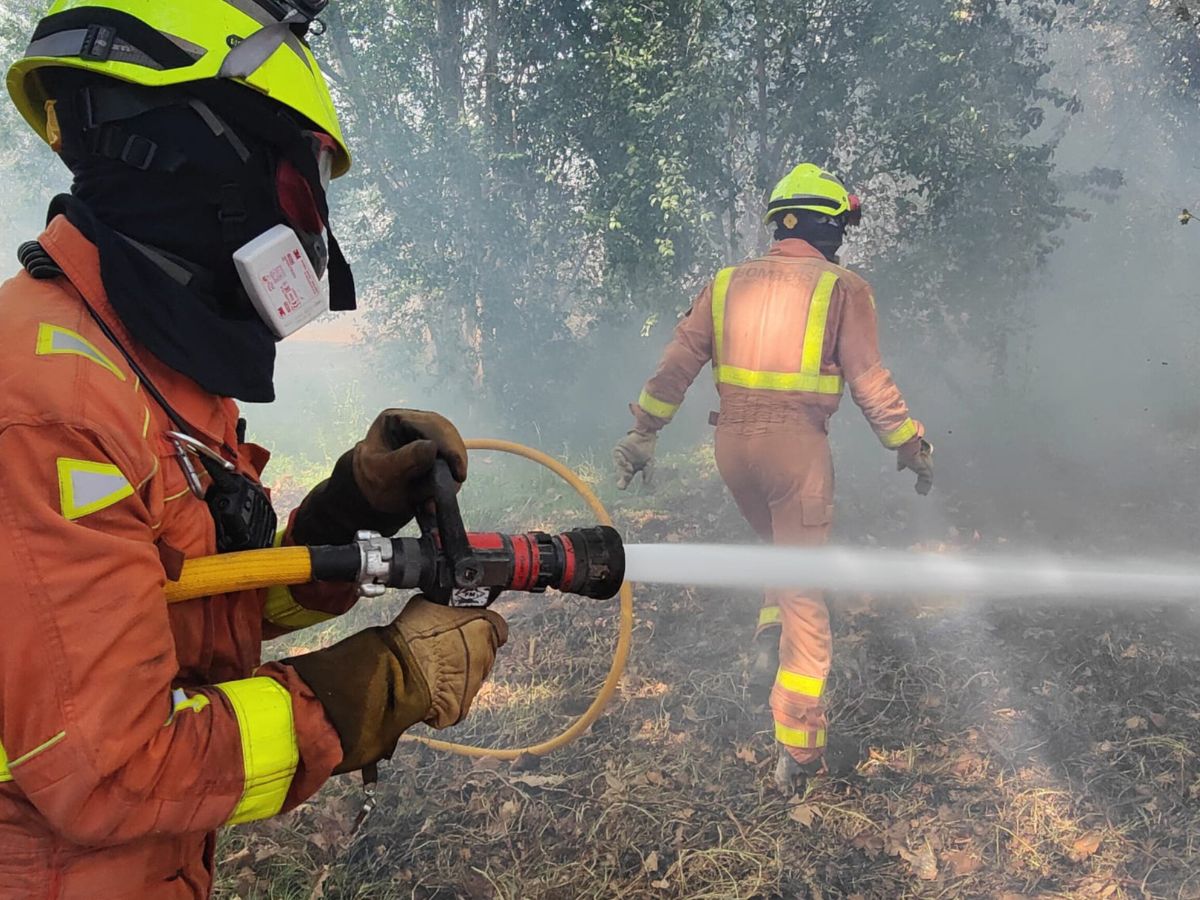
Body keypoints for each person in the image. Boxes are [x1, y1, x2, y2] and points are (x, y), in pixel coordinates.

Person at [0, 2, 506, 895]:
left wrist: (352, 511)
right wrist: (385, 683)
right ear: (208, 160)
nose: (312, 224)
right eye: (302, 179)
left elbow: (184, 607)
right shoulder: (47, 409)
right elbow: (112, 769)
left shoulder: (144, 364)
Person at [613, 163, 933, 789]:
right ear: (829, 226)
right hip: (798, 452)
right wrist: (909, 444)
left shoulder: (727, 283)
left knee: (776, 550)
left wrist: (643, 433)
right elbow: (870, 383)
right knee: (806, 590)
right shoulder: (845, 288)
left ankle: (767, 635)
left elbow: (677, 362)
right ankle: (801, 749)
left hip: (732, 448)